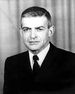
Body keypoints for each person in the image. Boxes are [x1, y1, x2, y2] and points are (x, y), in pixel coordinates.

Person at [3, 6, 75, 94]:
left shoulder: (71, 61)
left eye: (39, 29)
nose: (32, 36)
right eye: (27, 29)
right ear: (21, 32)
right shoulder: (12, 63)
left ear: (50, 31)